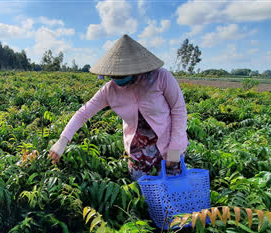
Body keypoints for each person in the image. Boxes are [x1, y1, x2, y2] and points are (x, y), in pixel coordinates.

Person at [49, 35, 188, 181]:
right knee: (143, 192)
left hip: (169, 145)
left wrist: (174, 150)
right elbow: (83, 113)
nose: (117, 78)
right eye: (113, 75)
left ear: (135, 69)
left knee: (173, 188)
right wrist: (63, 140)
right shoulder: (109, 90)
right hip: (138, 152)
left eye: (121, 74)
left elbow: (179, 111)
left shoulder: (161, 77)